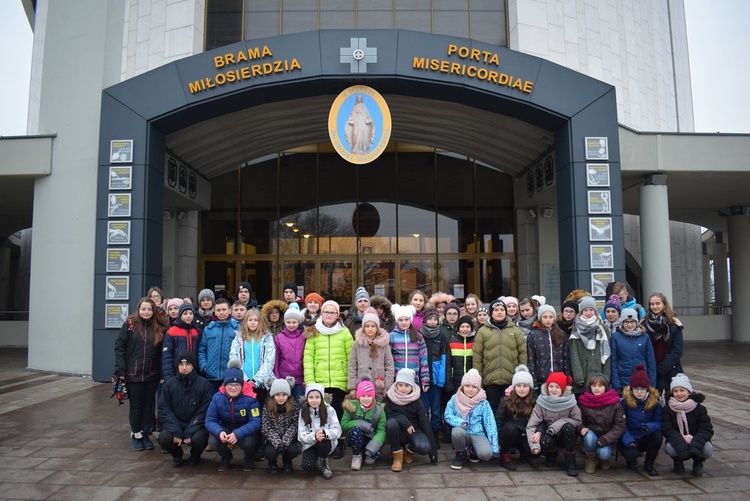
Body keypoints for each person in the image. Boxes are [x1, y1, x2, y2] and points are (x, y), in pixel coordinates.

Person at [303, 300, 353, 459]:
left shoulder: (344, 332)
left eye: (332, 312)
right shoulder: (313, 331)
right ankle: (320, 443)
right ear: (321, 313)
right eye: (326, 312)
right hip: (320, 381)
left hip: (339, 380)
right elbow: (308, 358)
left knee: (337, 414)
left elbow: (351, 357)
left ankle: (337, 443)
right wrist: (310, 382)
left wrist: (350, 381)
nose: (329, 315)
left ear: (337, 315)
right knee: (321, 414)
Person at [115, 297, 166, 450]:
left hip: (152, 373)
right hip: (133, 374)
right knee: (136, 406)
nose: (146, 312)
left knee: (148, 406)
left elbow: (162, 353)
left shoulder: (159, 326)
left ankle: (145, 434)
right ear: (138, 309)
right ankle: (136, 434)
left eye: (149, 309)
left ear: (153, 311)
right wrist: (121, 370)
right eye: (143, 309)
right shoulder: (130, 325)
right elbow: (120, 347)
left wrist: (162, 373)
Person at [157, 350, 213, 467]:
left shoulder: (204, 384)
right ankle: (177, 455)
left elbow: (204, 411)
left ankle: (195, 455)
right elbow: (164, 410)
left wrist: (190, 431)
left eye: (187, 364)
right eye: (181, 365)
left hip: (195, 425)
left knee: (200, 438)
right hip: (176, 424)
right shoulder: (169, 384)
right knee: (163, 438)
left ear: (193, 365)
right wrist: (176, 430)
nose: (184, 368)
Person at [205, 360, 262, 471]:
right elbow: (209, 420)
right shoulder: (217, 397)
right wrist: (219, 431)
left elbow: (256, 421)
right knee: (212, 441)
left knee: (249, 442)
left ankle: (249, 457)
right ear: (225, 385)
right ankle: (226, 456)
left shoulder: (251, 398)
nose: (233, 388)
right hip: (226, 427)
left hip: (244, 430)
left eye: (237, 385)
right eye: (230, 384)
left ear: (242, 385)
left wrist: (237, 434)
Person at [472, 299, 527, 410]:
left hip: (511, 379)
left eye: (502, 309)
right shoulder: (483, 331)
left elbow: (522, 353)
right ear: (491, 313)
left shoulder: (515, 331)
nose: (499, 312)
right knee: (492, 409)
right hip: (490, 380)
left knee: (510, 409)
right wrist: (479, 379)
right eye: (496, 310)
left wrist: (521, 376)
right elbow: (477, 357)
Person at [526, 372, 582, 477]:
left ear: (563, 388)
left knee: (568, 427)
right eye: (551, 386)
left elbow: (577, 420)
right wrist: (534, 446)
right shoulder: (541, 402)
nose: (553, 389)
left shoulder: (571, 402)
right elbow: (531, 425)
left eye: (557, 387)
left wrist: (558, 424)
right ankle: (552, 454)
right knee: (545, 441)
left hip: (566, 435)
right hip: (550, 434)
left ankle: (570, 462)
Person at [384, 369, 438, 471]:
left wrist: (433, 454)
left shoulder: (417, 401)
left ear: (412, 386)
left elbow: (425, 424)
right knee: (391, 423)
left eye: (407, 386)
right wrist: (404, 422)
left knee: (424, 447)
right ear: (396, 385)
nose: (403, 388)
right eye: (400, 385)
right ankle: (397, 456)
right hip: (397, 431)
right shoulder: (389, 397)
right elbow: (387, 415)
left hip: (414, 431)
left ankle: (408, 450)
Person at [443, 369, 499, 470]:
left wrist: (494, 446)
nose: (470, 389)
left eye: (474, 387)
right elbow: (447, 415)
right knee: (456, 432)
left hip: (477, 433)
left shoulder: (483, 402)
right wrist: (461, 422)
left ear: (478, 388)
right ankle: (460, 453)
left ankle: (474, 450)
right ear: (462, 386)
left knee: (486, 455)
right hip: (462, 430)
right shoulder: (454, 398)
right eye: (467, 386)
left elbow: (490, 424)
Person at [662, 373, 714, 477]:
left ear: (689, 392)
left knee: (707, 449)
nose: (679, 394)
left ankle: (698, 462)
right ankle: (678, 461)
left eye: (682, 390)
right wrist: (681, 439)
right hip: (678, 438)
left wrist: (694, 441)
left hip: (696, 438)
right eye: (675, 391)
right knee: (670, 448)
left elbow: (706, 429)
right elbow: (667, 429)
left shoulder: (700, 409)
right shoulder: (668, 409)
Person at [576, 373, 626, 474]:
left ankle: (602, 459)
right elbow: (578, 420)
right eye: (594, 386)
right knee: (589, 438)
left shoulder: (615, 402)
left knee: (604, 454)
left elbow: (620, 425)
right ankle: (591, 459)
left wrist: (606, 439)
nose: (596, 389)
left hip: (607, 435)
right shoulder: (584, 401)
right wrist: (581, 428)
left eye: (600, 386)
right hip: (592, 433)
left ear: (606, 387)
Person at [621, 364, 663, 476]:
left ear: (647, 390)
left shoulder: (655, 404)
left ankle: (649, 463)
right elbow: (621, 425)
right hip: (630, 436)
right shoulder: (624, 403)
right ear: (631, 389)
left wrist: (650, 427)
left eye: (642, 389)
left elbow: (659, 422)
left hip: (645, 434)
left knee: (658, 436)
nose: (639, 392)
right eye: (636, 389)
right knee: (631, 454)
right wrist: (628, 440)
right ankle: (631, 460)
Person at [229, 307, 276, 405]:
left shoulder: (267, 337)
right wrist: (246, 379)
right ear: (245, 322)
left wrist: (256, 380)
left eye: (256, 320)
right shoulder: (239, 338)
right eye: (250, 320)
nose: (253, 322)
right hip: (244, 382)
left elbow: (269, 361)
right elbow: (234, 358)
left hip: (262, 383)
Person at [419, 306, 451, 446]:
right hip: (423, 377)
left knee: (436, 410)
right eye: (430, 319)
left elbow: (444, 357)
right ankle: (426, 435)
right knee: (424, 409)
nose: (432, 322)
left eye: (435, 319)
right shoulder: (419, 334)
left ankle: (435, 435)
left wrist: (442, 378)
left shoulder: (441, 335)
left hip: (437, 377)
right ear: (425, 320)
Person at [348, 308, 394, 402]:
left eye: (373, 326)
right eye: (367, 326)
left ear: (377, 327)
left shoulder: (384, 344)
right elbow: (352, 366)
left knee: (378, 411)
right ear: (363, 327)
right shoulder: (357, 344)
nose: (370, 329)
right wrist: (352, 387)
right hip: (362, 387)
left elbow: (389, 365)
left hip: (379, 388)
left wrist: (387, 386)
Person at [495, 365, 536, 470]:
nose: (522, 389)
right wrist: (499, 441)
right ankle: (504, 455)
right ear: (514, 387)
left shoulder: (534, 401)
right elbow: (499, 420)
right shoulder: (506, 400)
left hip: (526, 433)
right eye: (519, 386)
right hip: (510, 433)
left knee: (534, 455)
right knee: (509, 428)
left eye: (525, 386)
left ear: (530, 387)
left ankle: (524, 451)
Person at [298, 383, 342, 480]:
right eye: (311, 397)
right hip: (310, 443)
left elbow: (338, 431)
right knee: (307, 466)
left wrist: (324, 433)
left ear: (322, 398)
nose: (314, 400)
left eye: (317, 397)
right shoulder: (303, 411)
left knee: (323, 444)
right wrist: (314, 436)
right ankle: (314, 459)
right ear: (307, 398)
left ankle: (324, 461)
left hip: (325, 441)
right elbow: (301, 434)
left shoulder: (330, 410)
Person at [341, 377, 387, 470]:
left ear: (373, 396)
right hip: (357, 437)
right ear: (358, 396)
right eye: (363, 396)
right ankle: (356, 455)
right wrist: (359, 423)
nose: (366, 399)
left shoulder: (379, 410)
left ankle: (367, 452)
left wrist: (373, 445)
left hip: (371, 437)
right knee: (355, 431)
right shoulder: (351, 406)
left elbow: (381, 431)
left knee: (376, 454)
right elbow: (343, 425)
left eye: (369, 396)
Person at [643, 292, 684, 394]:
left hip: (670, 368)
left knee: (672, 401)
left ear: (664, 305)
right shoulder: (643, 323)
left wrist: (662, 368)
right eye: (652, 304)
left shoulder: (673, 323)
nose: (655, 306)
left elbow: (677, 350)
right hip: (651, 369)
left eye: (658, 303)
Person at [569, 296, 611, 395]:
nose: (588, 313)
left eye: (591, 310)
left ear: (595, 311)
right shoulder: (576, 329)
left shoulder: (602, 329)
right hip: (582, 378)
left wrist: (606, 377)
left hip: (599, 378)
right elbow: (574, 355)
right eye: (585, 310)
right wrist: (579, 378)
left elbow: (607, 353)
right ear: (581, 312)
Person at [610, 308, 656, 394]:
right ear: (622, 323)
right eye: (626, 322)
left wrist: (651, 383)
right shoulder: (616, 337)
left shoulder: (645, 337)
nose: (630, 325)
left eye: (632, 322)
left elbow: (651, 361)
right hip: (623, 379)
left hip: (641, 379)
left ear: (637, 322)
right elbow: (613, 361)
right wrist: (616, 385)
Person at [526, 304, 571, 391]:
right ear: (540, 318)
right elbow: (531, 359)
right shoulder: (533, 334)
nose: (548, 320)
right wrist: (533, 380)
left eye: (551, 317)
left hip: (559, 378)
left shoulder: (561, 334)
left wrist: (568, 377)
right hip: (541, 378)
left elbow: (566, 358)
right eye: (545, 317)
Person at [261, 376, 300, 474]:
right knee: (270, 452)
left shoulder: (294, 406)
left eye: (284, 395)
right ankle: (272, 463)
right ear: (273, 395)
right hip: (272, 439)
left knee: (294, 450)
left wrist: (285, 441)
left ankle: (287, 461)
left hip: (288, 438)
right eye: (277, 395)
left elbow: (295, 425)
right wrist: (278, 443)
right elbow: (266, 428)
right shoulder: (267, 407)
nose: (281, 398)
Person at [198, 298, 238, 391]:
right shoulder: (208, 329)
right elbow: (202, 350)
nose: (221, 312)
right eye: (218, 310)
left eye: (224, 310)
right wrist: (204, 366)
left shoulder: (237, 329)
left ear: (229, 311)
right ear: (214, 312)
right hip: (211, 376)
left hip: (230, 375)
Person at [389, 304, 430, 392]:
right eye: (401, 320)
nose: (404, 322)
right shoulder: (391, 336)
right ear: (397, 321)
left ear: (410, 320)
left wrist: (425, 380)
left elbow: (424, 359)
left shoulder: (418, 337)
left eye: (406, 319)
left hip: (413, 379)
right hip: (397, 379)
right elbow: (388, 360)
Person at [274, 305, 307, 404]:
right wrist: (277, 377)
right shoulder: (279, 337)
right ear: (284, 322)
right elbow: (276, 359)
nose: (291, 325)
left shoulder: (304, 336)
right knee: (285, 406)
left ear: (299, 322)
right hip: (284, 378)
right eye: (288, 322)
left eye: (294, 322)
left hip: (300, 379)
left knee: (299, 405)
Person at [162, 303, 201, 381]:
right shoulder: (172, 331)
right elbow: (167, 357)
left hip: (194, 374)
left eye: (191, 313)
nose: (188, 316)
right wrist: (169, 377)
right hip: (176, 373)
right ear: (180, 315)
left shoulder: (197, 330)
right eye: (185, 313)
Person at [447, 316, 475, 398]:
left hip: (472, 382)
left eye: (467, 327)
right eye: (462, 327)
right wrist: (449, 381)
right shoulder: (452, 342)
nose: (465, 329)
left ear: (471, 328)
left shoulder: (475, 341)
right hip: (456, 381)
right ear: (458, 328)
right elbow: (448, 363)